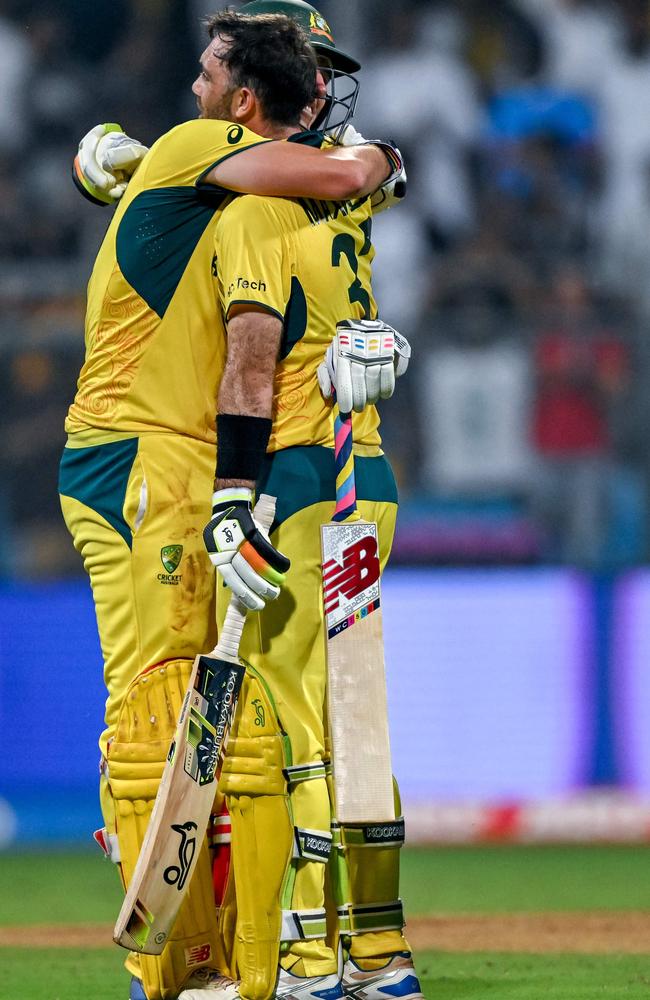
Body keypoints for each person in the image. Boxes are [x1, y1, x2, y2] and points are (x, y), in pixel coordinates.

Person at [59, 10, 402, 1000]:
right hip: (141, 453)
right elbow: (334, 177)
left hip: (200, 462)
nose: (320, 98)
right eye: (307, 76)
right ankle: (169, 963)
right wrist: (385, 157)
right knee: (160, 706)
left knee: (229, 718)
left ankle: (259, 956)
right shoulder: (219, 155)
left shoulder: (242, 186)